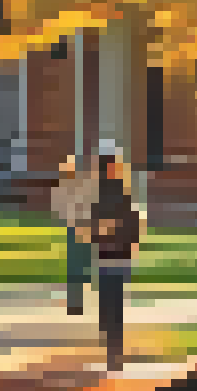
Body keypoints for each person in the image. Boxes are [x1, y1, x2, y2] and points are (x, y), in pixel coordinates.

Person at [87, 142, 142, 372]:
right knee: (109, 305)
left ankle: (114, 352)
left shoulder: (118, 191)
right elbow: (95, 225)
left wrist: (128, 240)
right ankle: (113, 350)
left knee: (112, 305)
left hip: (116, 254)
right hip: (108, 254)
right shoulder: (105, 193)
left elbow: (129, 220)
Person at [53, 154, 99, 316]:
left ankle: (80, 301)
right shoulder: (66, 187)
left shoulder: (85, 185)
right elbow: (59, 208)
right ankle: (75, 303)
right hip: (76, 228)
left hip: (84, 227)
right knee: (76, 267)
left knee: (86, 264)